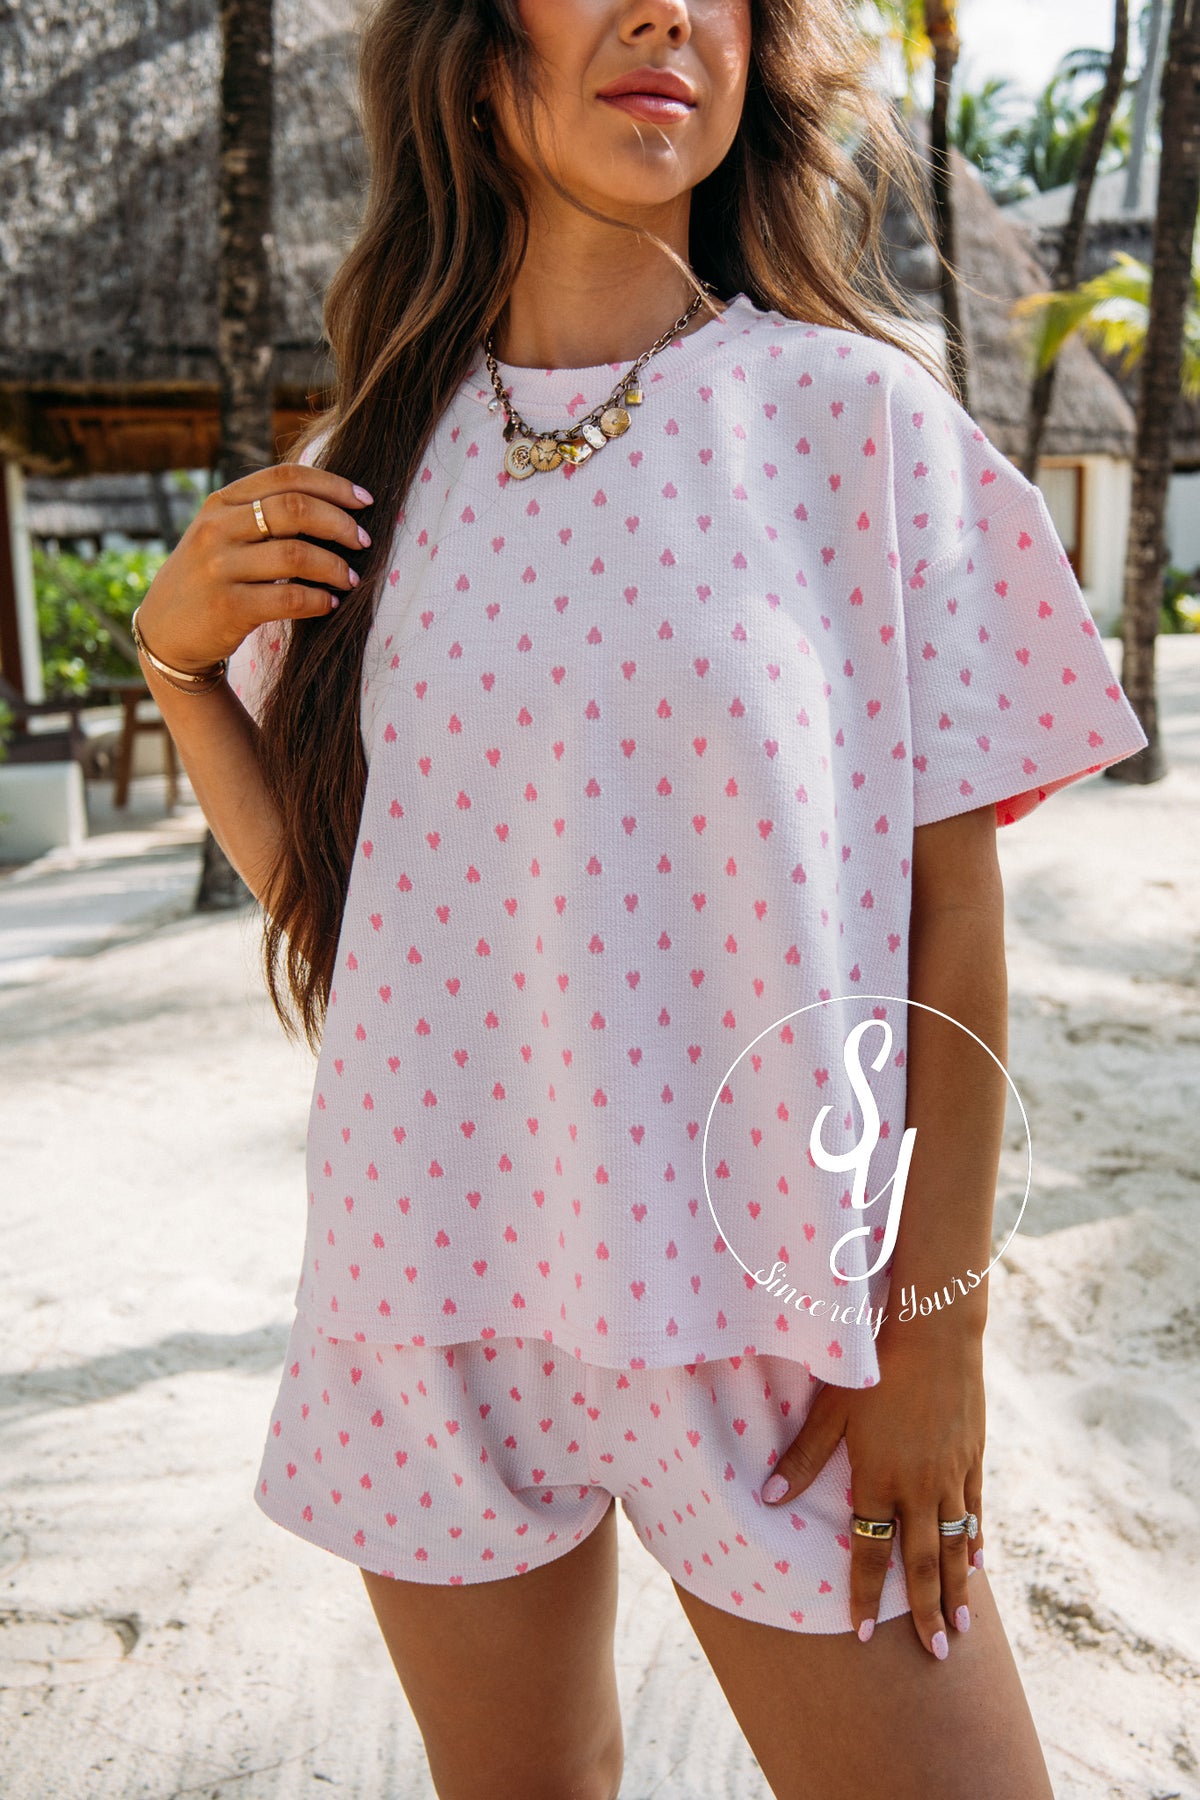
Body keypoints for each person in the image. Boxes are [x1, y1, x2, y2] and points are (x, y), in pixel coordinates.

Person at [133, 2, 1149, 1794]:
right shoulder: (369, 464)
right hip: (427, 1288)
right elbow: (372, 921)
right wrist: (181, 671)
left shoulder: (857, 426)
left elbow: (953, 924)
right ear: (474, 54)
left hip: (782, 1321)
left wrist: (939, 1332)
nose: (665, 9)